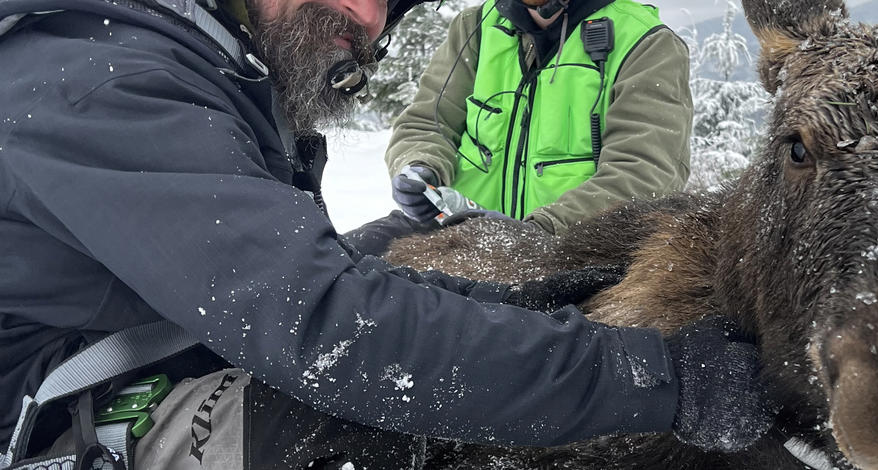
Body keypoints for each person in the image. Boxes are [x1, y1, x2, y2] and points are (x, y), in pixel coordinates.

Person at [0, 0, 768, 469]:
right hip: (51, 411)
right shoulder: (110, 79)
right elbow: (331, 322)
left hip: (550, 246)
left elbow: (645, 171)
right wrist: (654, 381)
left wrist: (537, 285)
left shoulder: (203, 61)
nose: (370, 20)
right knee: (381, 415)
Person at [370, 0, 691, 248]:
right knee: (347, 265)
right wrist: (419, 166)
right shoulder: (476, 28)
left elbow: (644, 174)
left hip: (569, 257)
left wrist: (538, 232)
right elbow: (428, 122)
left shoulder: (646, 42)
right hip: (456, 240)